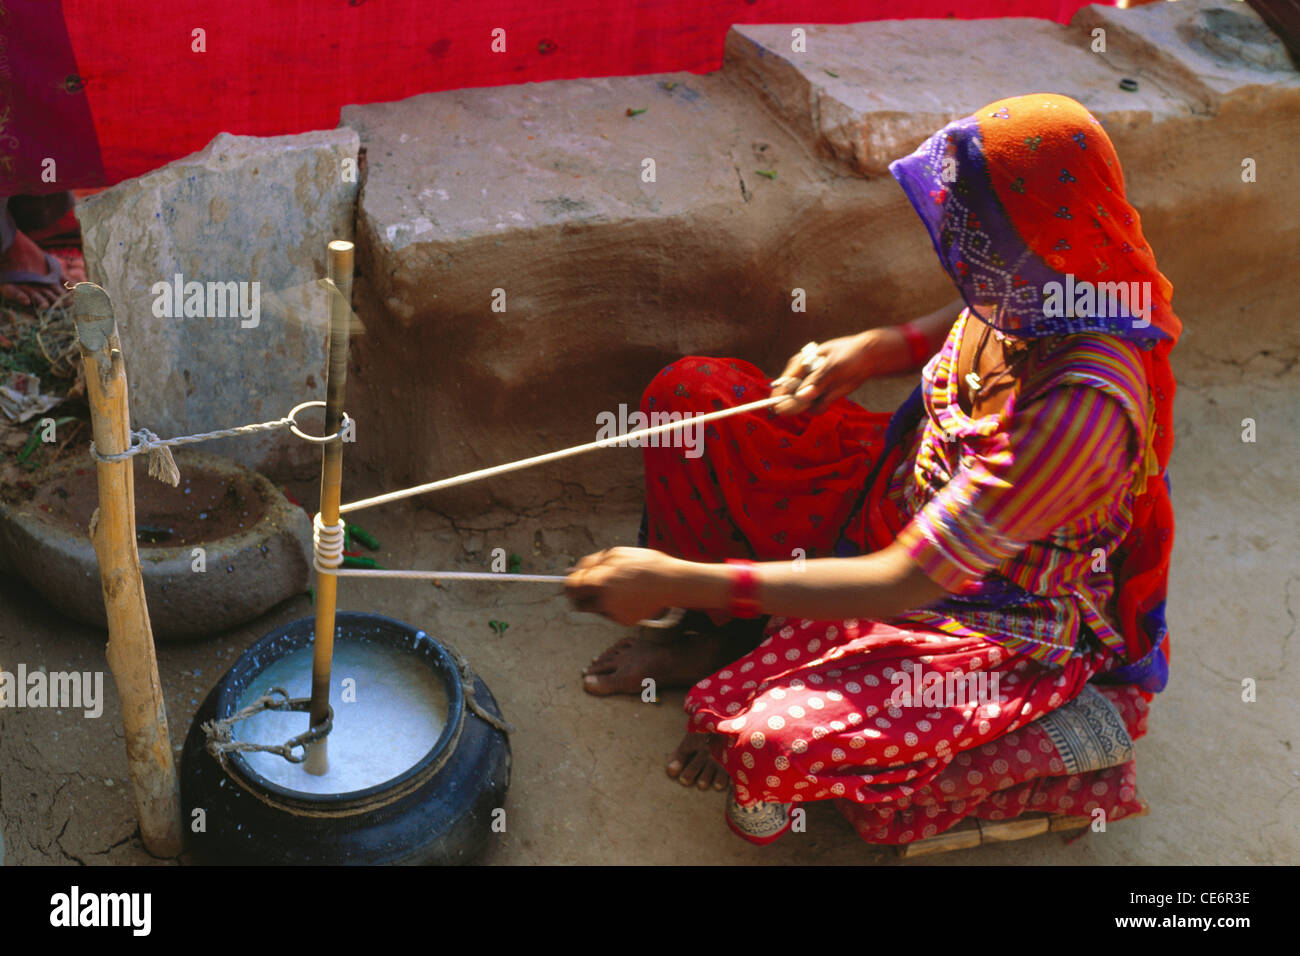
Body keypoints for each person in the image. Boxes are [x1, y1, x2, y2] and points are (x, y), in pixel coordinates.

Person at [565, 92, 1179, 845]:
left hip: (973, 612)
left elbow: (906, 578)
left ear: (1039, 237)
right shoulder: (1032, 283)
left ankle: (1068, 750)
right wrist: (867, 351)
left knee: (768, 745)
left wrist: (674, 578)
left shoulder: (1078, 414)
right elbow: (948, 324)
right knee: (688, 403)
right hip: (893, 490)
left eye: (976, 228)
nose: (958, 242)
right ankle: (722, 640)